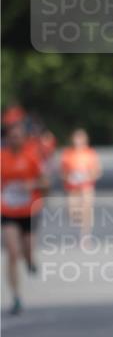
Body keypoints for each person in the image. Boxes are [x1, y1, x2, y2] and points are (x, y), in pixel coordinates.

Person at [1, 121, 49, 314]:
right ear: (6, 139)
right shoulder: (1, 157)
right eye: (11, 136)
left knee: (27, 249)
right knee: (12, 253)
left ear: (24, 138)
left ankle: (30, 260)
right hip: (7, 210)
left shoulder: (33, 155)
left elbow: (46, 183)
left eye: (18, 136)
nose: (15, 139)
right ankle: (16, 297)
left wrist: (33, 185)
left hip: (29, 209)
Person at [60, 129, 102, 238]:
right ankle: (79, 221)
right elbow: (62, 172)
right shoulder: (67, 154)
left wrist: (88, 177)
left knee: (87, 208)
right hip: (72, 187)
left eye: (80, 138)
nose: (78, 141)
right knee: (73, 213)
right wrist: (68, 177)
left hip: (86, 185)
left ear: (85, 140)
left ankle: (85, 234)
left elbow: (97, 172)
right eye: (76, 138)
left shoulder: (90, 153)